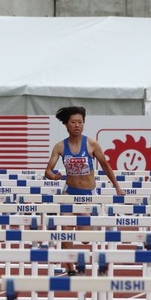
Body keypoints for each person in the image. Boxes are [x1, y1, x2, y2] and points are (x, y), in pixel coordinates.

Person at [44, 106, 124, 275]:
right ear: (66, 124)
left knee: (86, 239)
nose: (77, 125)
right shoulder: (59, 147)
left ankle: (79, 243)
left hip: (88, 195)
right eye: (73, 122)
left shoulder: (92, 144)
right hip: (69, 193)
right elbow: (48, 170)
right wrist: (54, 176)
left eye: (80, 122)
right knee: (65, 230)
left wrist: (117, 187)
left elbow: (106, 166)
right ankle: (71, 268)